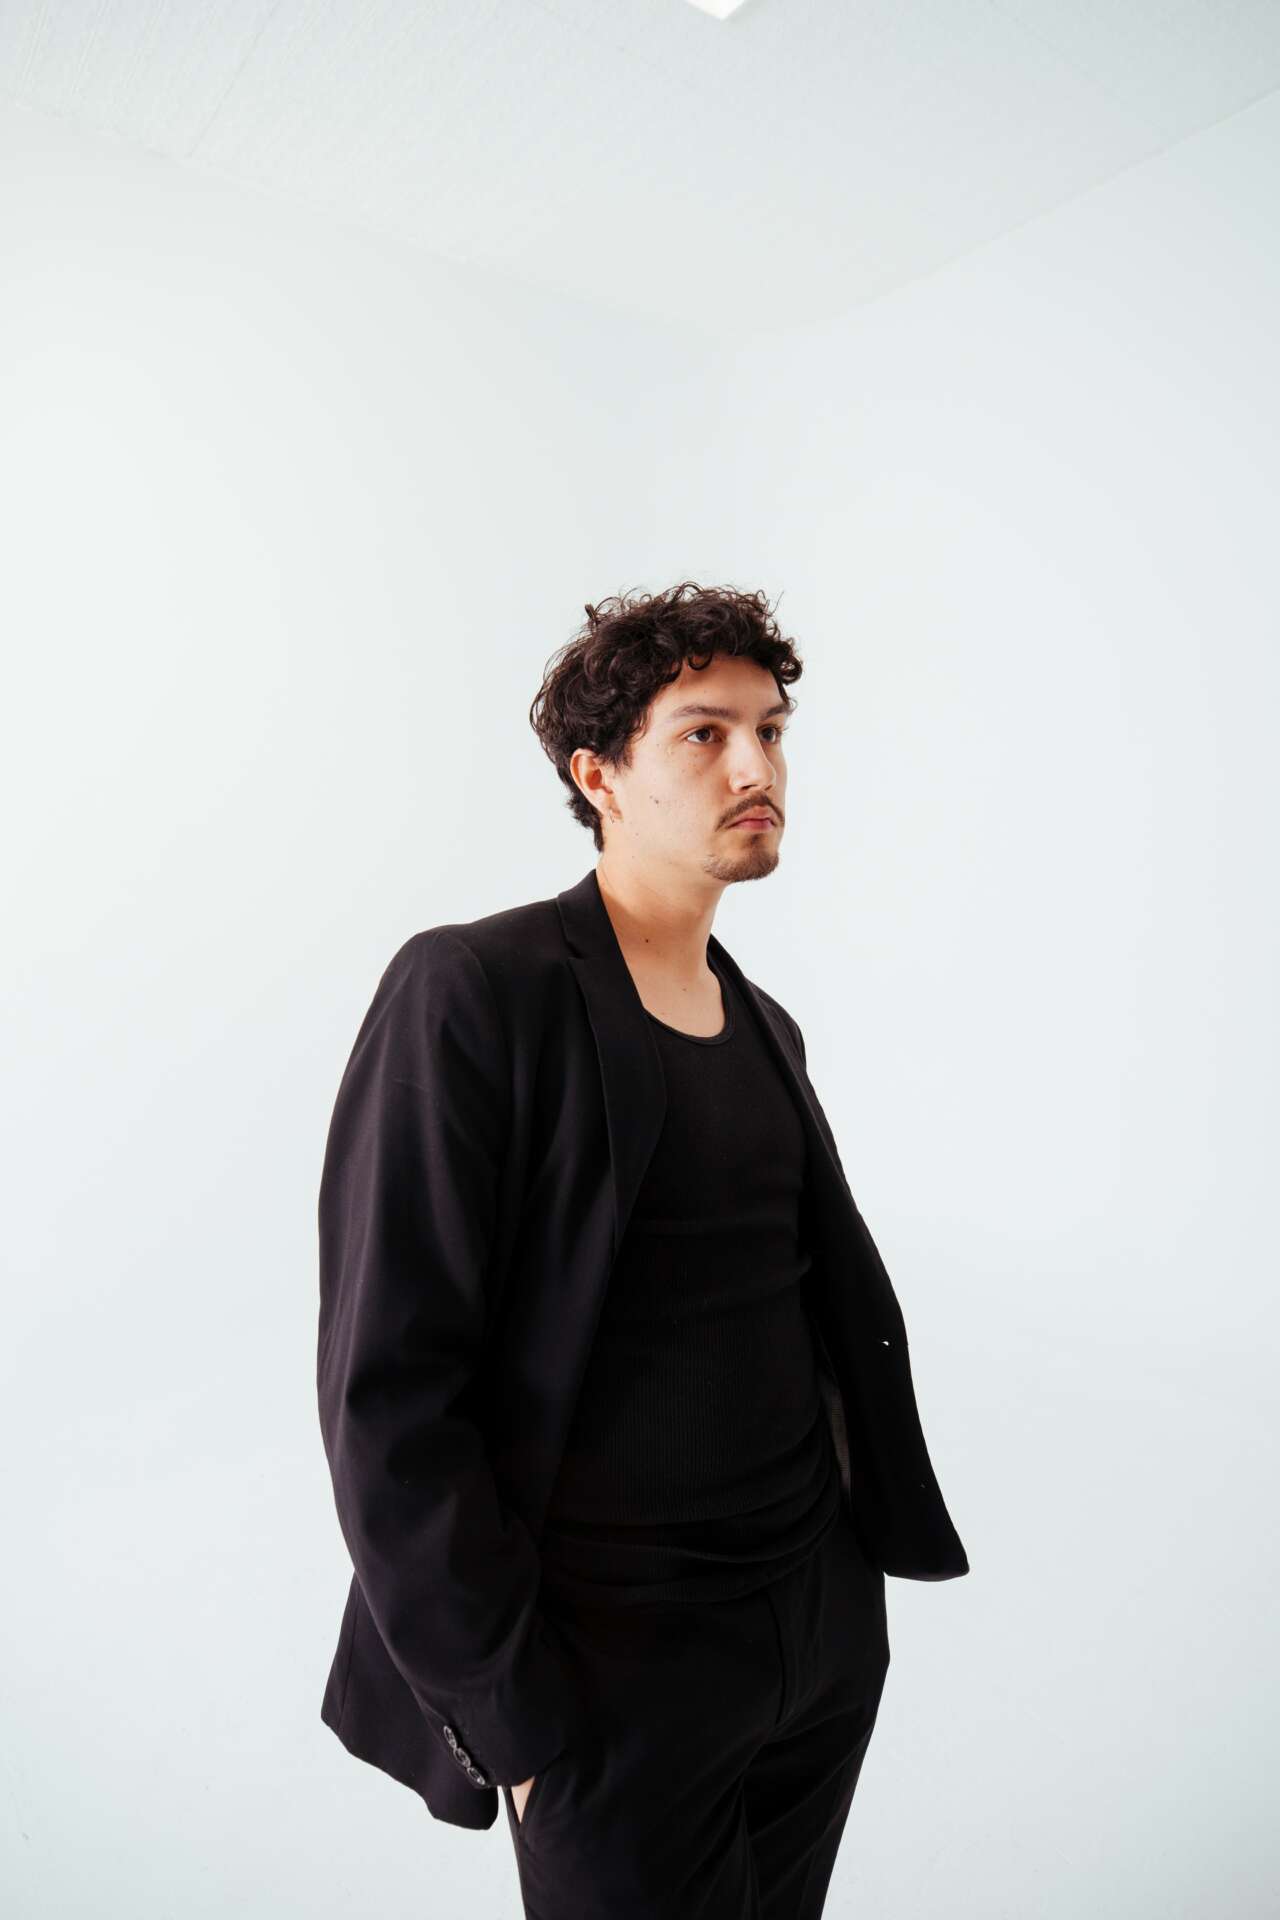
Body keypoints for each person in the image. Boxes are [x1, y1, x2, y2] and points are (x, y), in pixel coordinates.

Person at [316, 582, 969, 1917]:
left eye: (771, 731)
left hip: (813, 1635)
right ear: (598, 774)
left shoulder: (766, 1025)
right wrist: (513, 1722)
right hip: (607, 1674)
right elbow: (388, 1395)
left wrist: (843, 1608)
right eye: (703, 733)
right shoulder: (475, 992)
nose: (755, 768)